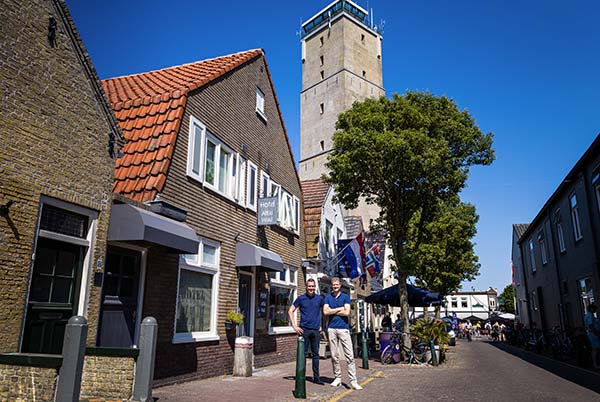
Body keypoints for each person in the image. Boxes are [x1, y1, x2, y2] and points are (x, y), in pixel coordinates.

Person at [323, 277, 362, 390]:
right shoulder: (328, 298)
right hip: (331, 329)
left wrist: (333, 310)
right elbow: (325, 311)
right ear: (332, 285)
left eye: (337, 284)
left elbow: (347, 312)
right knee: (334, 356)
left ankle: (353, 381)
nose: (335, 286)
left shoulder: (345, 297)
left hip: (343, 329)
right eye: (333, 285)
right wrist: (339, 309)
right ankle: (338, 378)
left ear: (340, 285)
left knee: (349, 355)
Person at [288, 278, 324, 384]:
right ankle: (301, 376)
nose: (311, 288)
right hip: (304, 330)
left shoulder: (320, 299)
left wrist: (323, 325)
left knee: (315, 354)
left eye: (313, 286)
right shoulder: (301, 298)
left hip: (316, 330)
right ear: (306, 287)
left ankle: (316, 378)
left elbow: (325, 312)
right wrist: (294, 326)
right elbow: (290, 310)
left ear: (315, 287)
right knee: (302, 354)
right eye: (309, 286)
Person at [584, 304, 600, 369]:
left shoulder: (588, 315)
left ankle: (595, 363)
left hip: (592, 334)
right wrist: (597, 334)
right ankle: (595, 364)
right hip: (593, 334)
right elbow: (591, 326)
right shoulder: (590, 315)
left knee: (595, 349)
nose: (595, 311)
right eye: (594, 309)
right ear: (591, 309)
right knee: (595, 349)